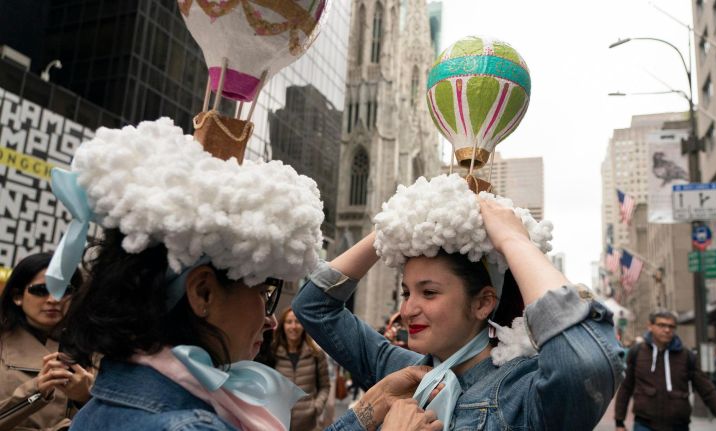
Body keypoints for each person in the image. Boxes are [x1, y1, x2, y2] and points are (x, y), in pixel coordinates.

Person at [47, 118, 440, 431]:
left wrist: (367, 410)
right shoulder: (187, 423)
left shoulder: (107, 400)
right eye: (265, 293)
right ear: (203, 293)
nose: (271, 319)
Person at [293, 175, 624, 431]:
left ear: (482, 303)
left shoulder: (521, 390)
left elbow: (585, 365)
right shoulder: (403, 372)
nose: (407, 310)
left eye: (429, 292)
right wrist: (398, 223)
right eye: (407, 292)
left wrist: (512, 239)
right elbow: (314, 306)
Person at [0, 252, 92, 430]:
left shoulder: (95, 348)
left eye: (64, 290)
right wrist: (35, 394)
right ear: (17, 296)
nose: (52, 300)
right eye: (41, 290)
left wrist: (85, 398)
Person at [614, 310, 716, 431]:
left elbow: (708, 391)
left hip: (678, 425)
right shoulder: (637, 352)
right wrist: (619, 421)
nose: (667, 330)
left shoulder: (687, 356)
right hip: (645, 424)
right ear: (650, 326)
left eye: (671, 326)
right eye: (662, 325)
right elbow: (626, 387)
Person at [272, 308, 330, 431]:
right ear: (282, 325)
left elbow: (325, 386)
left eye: (297, 322)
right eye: (289, 322)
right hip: (279, 424)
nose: (293, 326)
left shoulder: (316, 354)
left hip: (309, 426)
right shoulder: (273, 353)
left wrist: (316, 408)